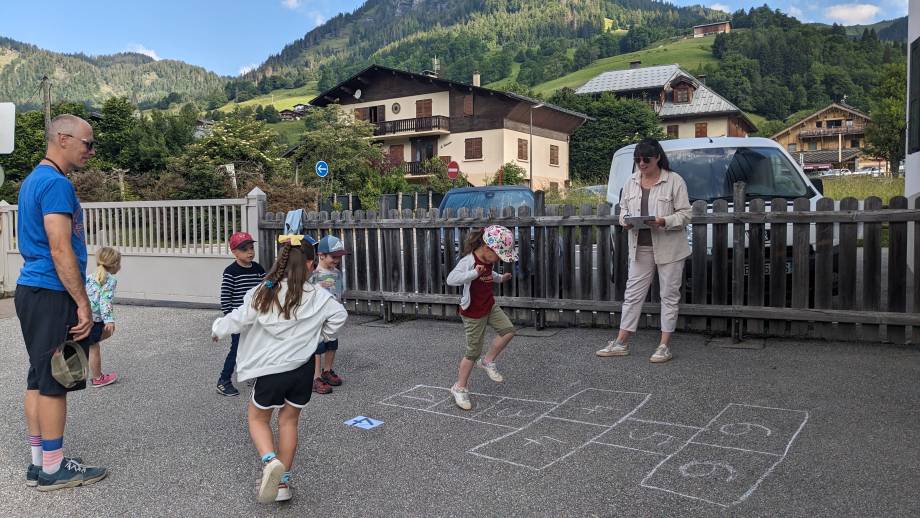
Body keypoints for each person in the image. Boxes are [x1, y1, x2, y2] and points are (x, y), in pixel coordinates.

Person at [211, 234, 347, 503]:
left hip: (271, 370)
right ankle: (283, 484)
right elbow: (339, 316)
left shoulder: (264, 291)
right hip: (302, 370)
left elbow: (238, 317)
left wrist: (218, 329)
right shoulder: (318, 295)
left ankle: (270, 460)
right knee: (289, 421)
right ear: (310, 265)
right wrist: (320, 335)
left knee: (258, 417)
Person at [15, 114, 107, 490]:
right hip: (53, 293)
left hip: (32, 291)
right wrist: (82, 302)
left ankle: (40, 463)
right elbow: (59, 247)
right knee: (56, 379)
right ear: (63, 138)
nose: (91, 150)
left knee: (38, 378)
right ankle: (55, 470)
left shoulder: (33, 180)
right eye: (87, 143)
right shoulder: (55, 184)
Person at [596, 138, 691, 363]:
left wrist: (663, 220)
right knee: (632, 295)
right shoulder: (630, 182)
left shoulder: (675, 180)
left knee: (668, 296)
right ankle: (621, 342)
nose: (641, 163)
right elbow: (623, 211)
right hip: (640, 248)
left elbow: (686, 214)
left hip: (670, 248)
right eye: (637, 159)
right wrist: (625, 221)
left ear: (657, 157)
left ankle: (664, 346)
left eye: (646, 159)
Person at [445, 225, 517, 411]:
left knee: (508, 331)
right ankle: (459, 387)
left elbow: (488, 273)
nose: (500, 259)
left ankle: (487, 361)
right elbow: (451, 279)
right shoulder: (468, 261)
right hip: (473, 313)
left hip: (489, 305)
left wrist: (500, 278)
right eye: (499, 255)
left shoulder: (487, 260)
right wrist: (473, 273)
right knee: (472, 353)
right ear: (487, 248)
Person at [217, 232, 266, 396]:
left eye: (251, 248)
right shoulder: (231, 272)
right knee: (237, 350)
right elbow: (226, 297)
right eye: (244, 249)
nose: (250, 252)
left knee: (256, 347)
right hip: (239, 319)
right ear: (234, 252)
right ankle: (223, 381)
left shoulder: (258, 268)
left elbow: (265, 288)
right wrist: (231, 319)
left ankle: (253, 375)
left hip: (256, 318)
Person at [310, 235, 347, 395]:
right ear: (321, 255)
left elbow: (340, 290)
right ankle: (315, 377)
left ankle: (327, 371)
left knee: (332, 343)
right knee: (318, 347)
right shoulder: (314, 275)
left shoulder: (337, 273)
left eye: (339, 257)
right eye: (334, 257)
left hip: (332, 316)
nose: (337, 260)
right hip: (318, 317)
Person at [84, 246, 121, 387]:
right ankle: (98, 378)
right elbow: (105, 301)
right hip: (95, 320)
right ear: (115, 265)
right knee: (94, 347)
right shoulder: (110, 280)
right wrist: (109, 320)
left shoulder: (89, 277)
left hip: (84, 317)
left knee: (90, 344)